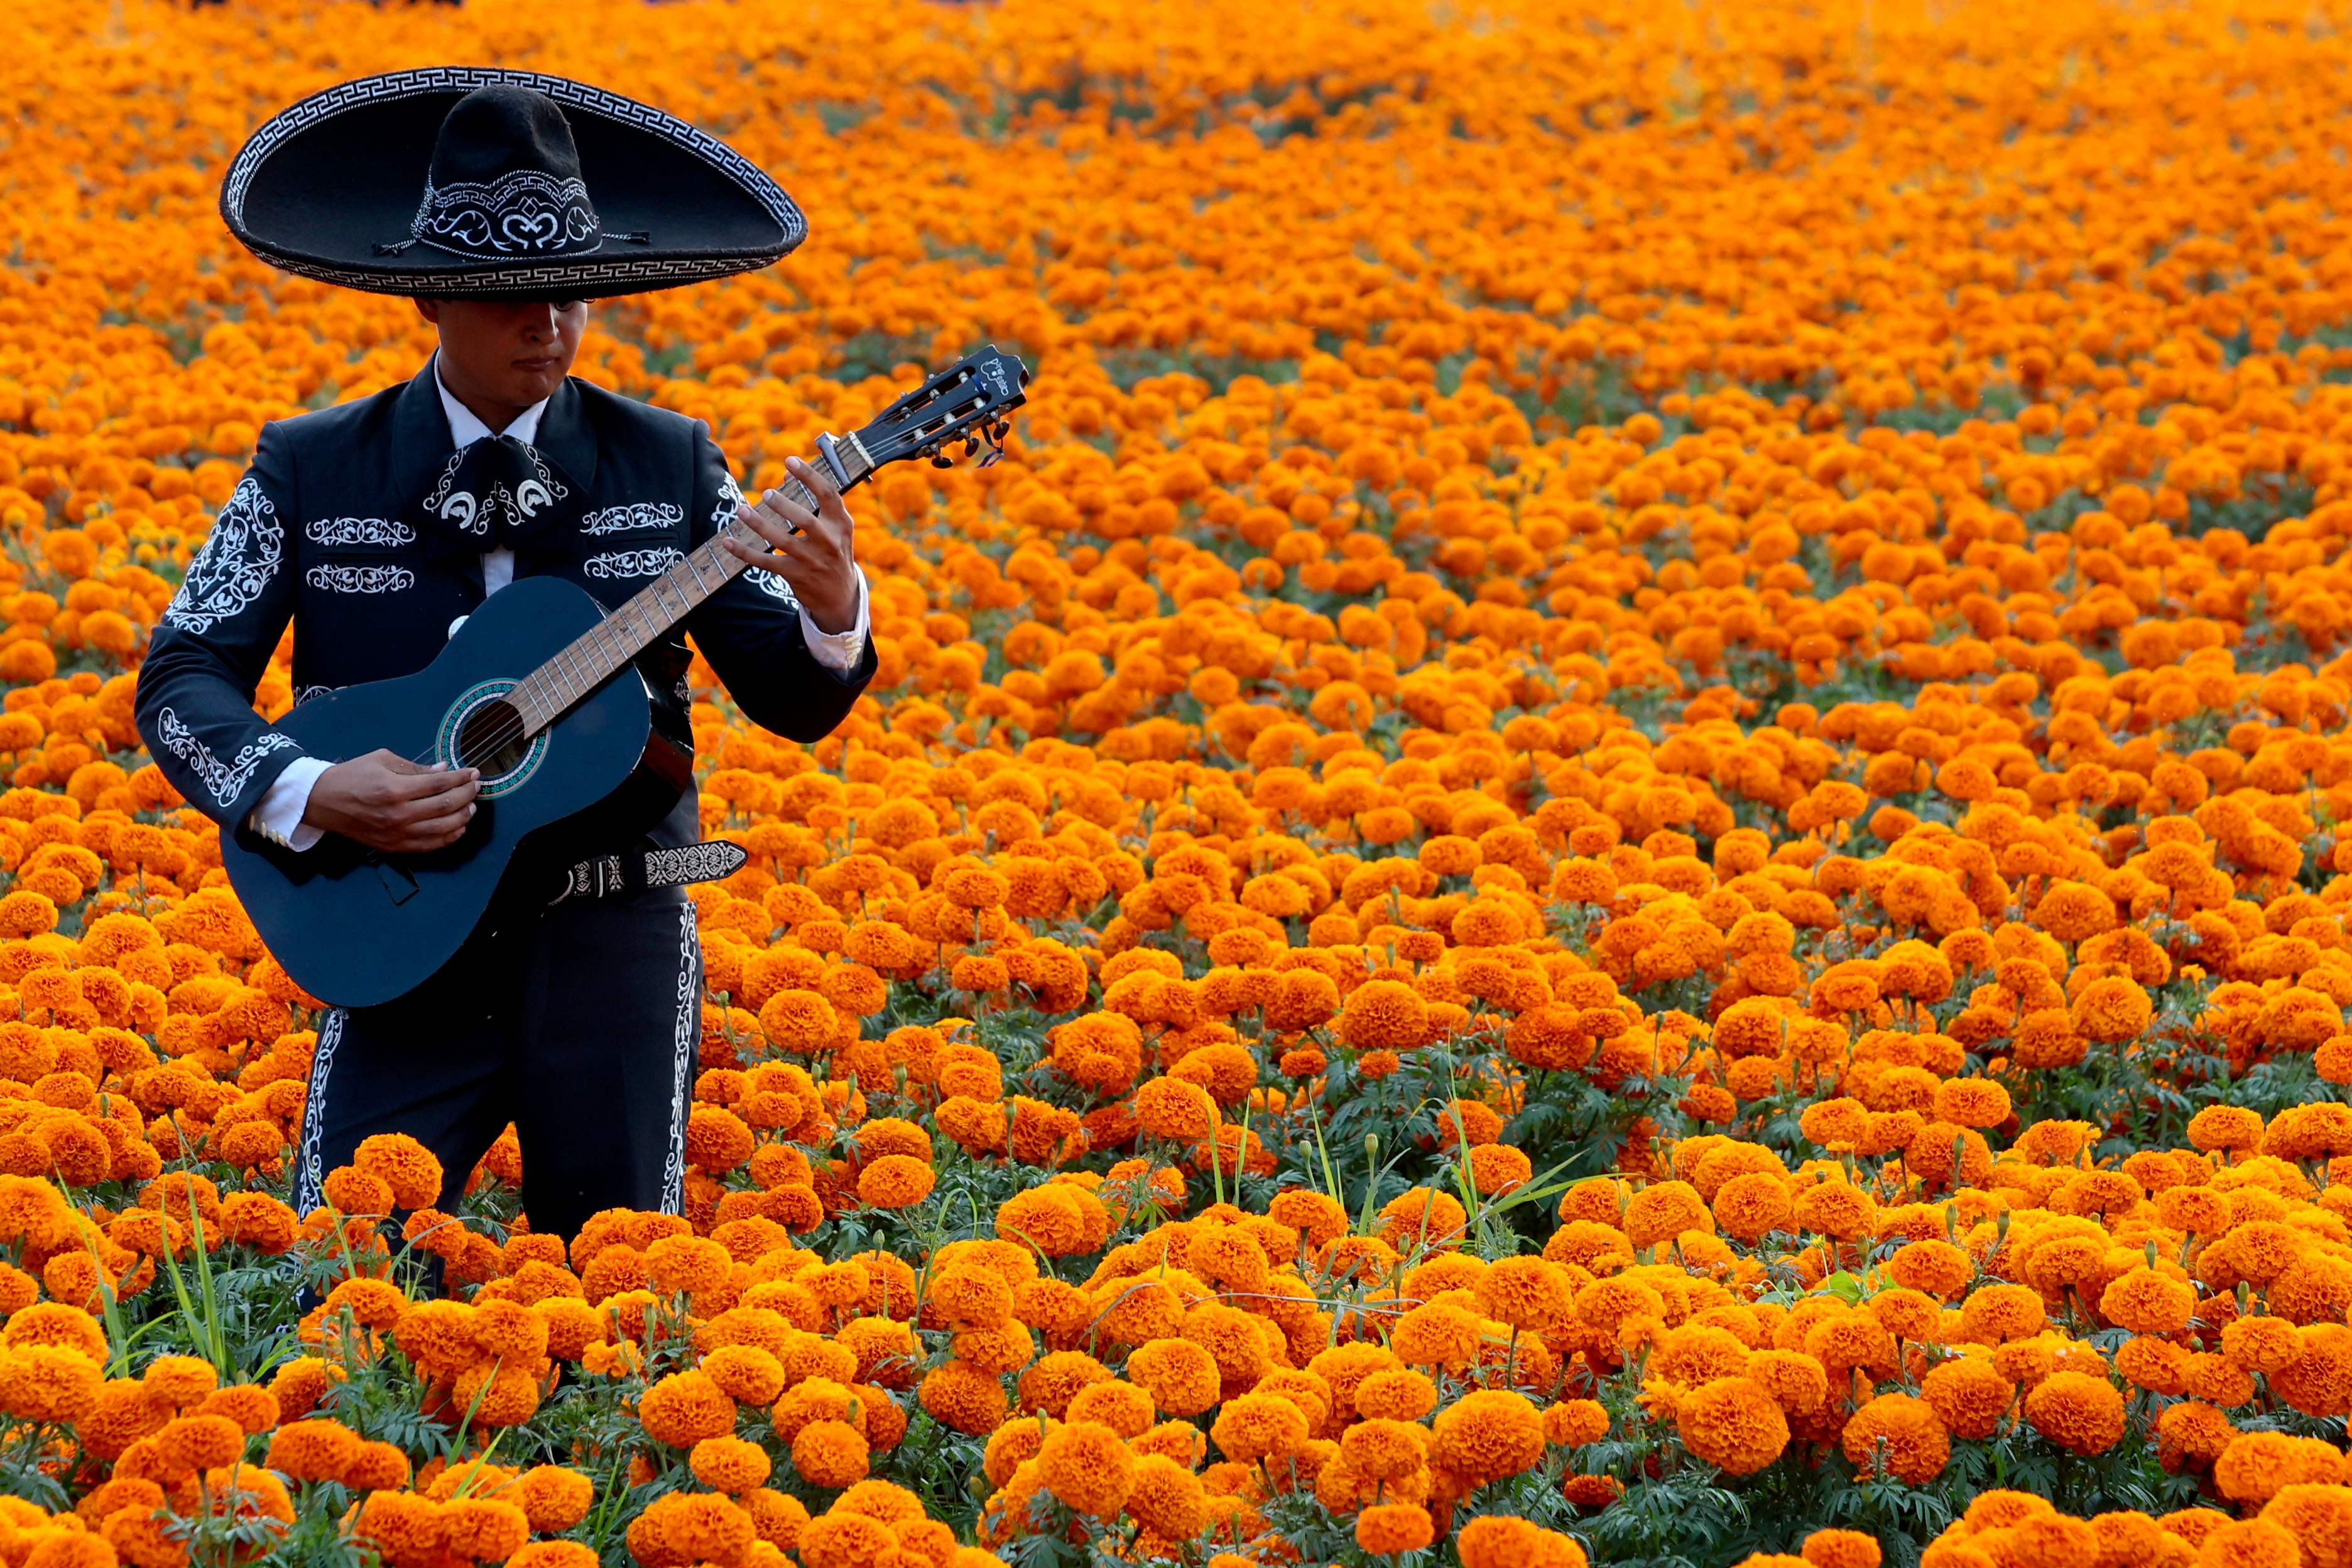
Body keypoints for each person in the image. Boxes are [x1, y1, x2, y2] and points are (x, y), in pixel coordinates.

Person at [136, 71, 876, 1239]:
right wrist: (312, 787)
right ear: (427, 298)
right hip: (398, 927)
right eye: (510, 297)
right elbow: (181, 677)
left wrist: (834, 613)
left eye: (574, 291)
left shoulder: (674, 462)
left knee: (620, 1278)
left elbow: (793, 699)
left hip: (616, 928)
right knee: (346, 1270)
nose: (550, 324)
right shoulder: (311, 466)